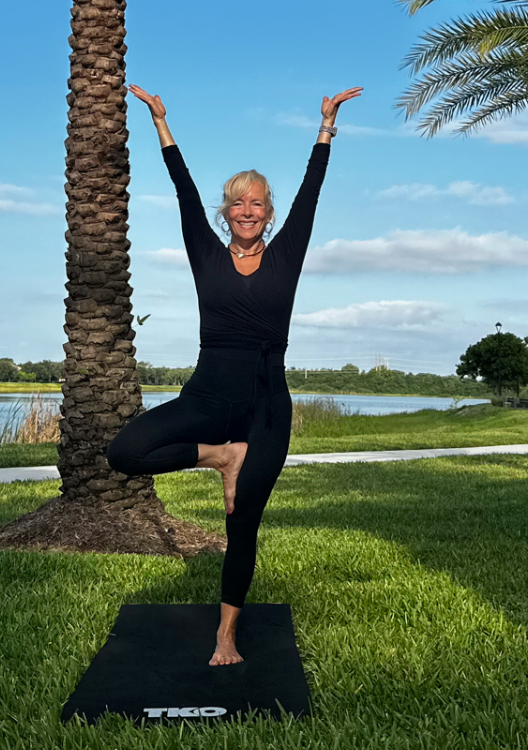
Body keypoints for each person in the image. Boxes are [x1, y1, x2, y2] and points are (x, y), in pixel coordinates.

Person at [107, 83, 362, 666]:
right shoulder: (205, 250)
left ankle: (227, 634)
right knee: (125, 451)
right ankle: (220, 455)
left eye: (258, 204)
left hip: (267, 405)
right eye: (237, 204)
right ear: (226, 213)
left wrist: (325, 129)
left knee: (242, 521)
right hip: (207, 397)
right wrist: (161, 124)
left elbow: (312, 193)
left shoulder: (286, 253)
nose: (247, 212)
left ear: (269, 214)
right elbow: (183, 192)